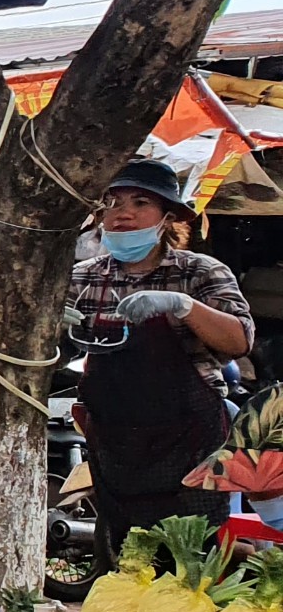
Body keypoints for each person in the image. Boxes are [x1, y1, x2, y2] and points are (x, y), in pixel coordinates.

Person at [67, 156, 255, 556]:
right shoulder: (84, 278)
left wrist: (183, 305)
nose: (123, 215)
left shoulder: (200, 272)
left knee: (196, 550)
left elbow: (239, 340)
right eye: (113, 203)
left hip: (191, 438)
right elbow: (59, 348)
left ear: (166, 217)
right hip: (117, 441)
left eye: (140, 203)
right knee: (129, 552)